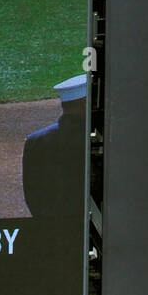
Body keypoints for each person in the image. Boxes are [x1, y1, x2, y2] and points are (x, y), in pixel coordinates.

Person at [22, 74, 88, 219]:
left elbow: (32, 193)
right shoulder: (94, 138)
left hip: (52, 228)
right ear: (85, 103)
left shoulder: (36, 140)